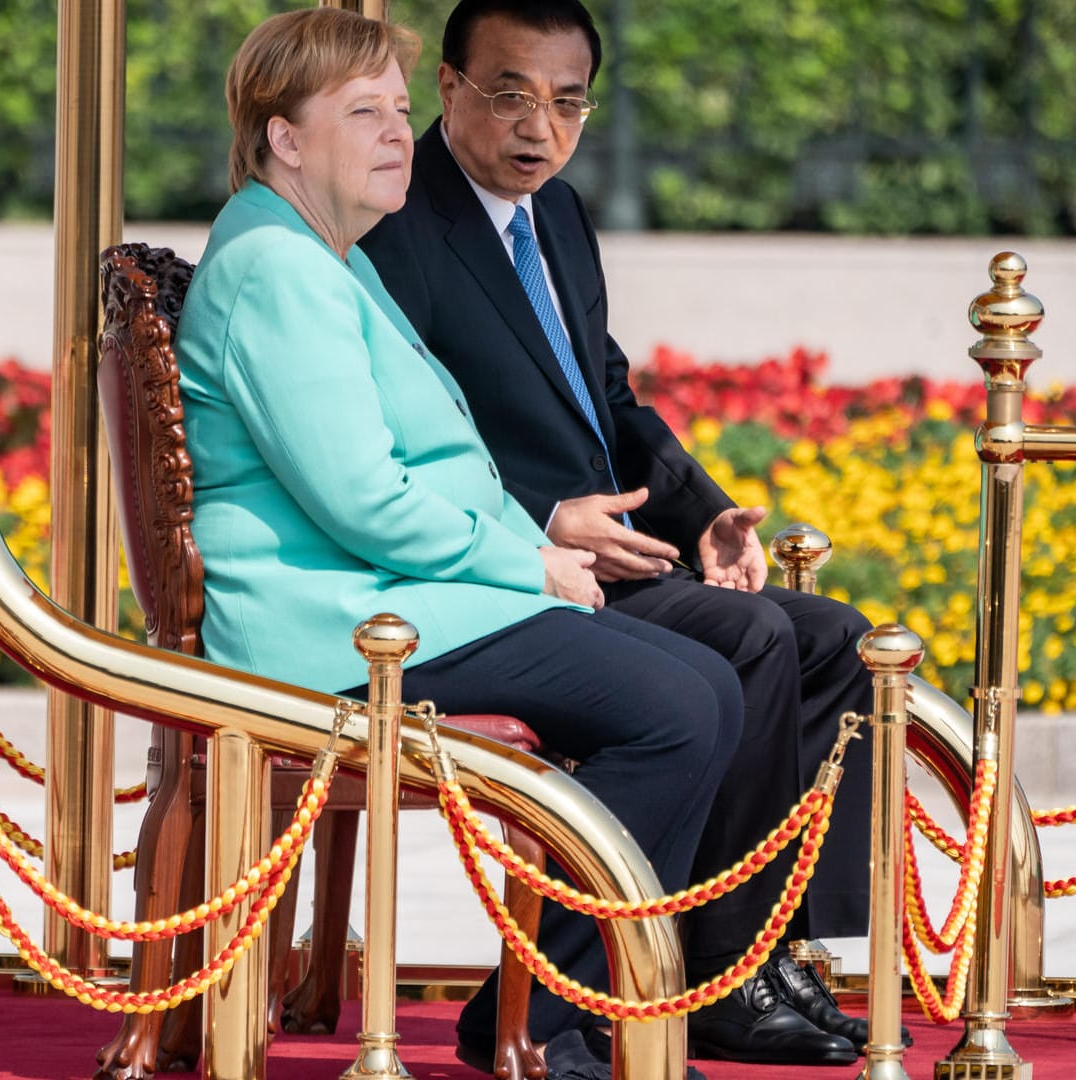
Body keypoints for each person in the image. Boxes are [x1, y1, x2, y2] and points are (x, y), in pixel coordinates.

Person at [175, 9, 829, 1077]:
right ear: (285, 137)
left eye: (397, 110)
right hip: (340, 621)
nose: (398, 134)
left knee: (710, 681)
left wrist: (529, 556)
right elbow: (363, 500)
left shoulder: (311, 249)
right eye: (364, 114)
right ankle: (542, 1017)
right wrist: (529, 562)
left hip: (396, 597)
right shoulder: (279, 266)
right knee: (683, 705)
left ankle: (573, 1004)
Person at [358, 0, 883, 1066]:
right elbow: (394, 430)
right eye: (508, 95)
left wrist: (705, 514)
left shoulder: (558, 216)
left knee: (839, 640)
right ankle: (665, 983)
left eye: (565, 103)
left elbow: (607, 394)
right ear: (450, 89)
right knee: (754, 641)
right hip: (510, 567)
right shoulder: (397, 224)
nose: (536, 128)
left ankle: (758, 951)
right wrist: (549, 523)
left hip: (615, 551)